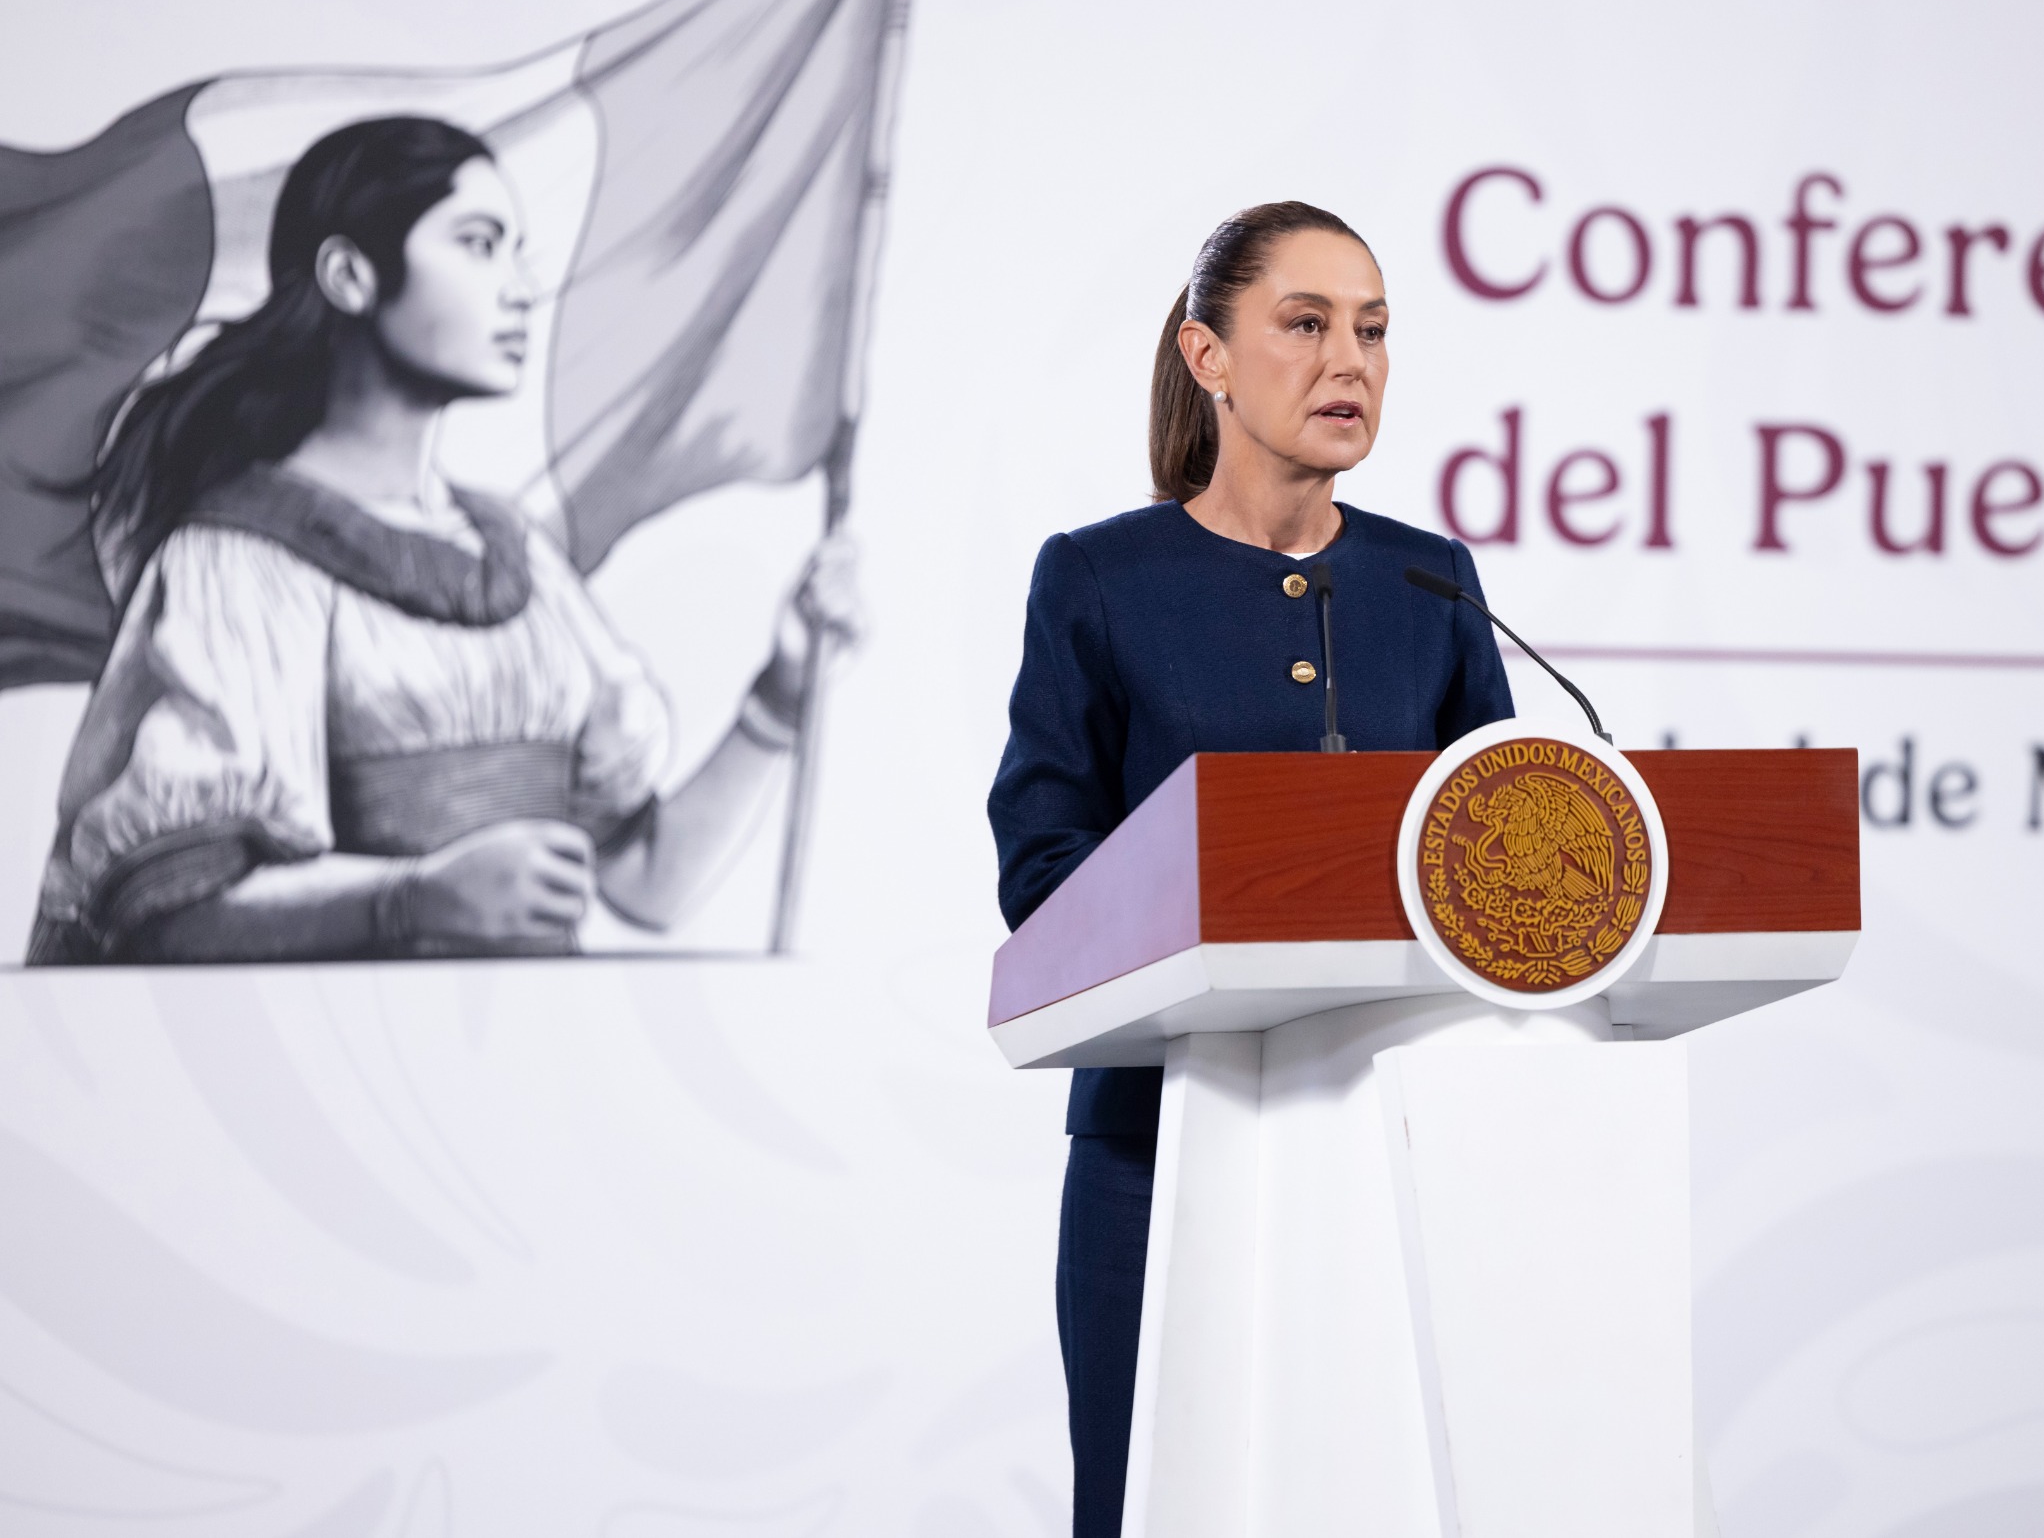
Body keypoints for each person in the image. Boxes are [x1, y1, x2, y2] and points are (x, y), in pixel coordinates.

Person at [987, 202, 1515, 1535]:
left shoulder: (1434, 583)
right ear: (1207, 355)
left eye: (1374, 331)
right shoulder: (1100, 578)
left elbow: (1502, 862)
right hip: (1155, 1145)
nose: (1350, 361)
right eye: (1306, 324)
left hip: (1390, 1145)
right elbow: (1044, 869)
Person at [28, 115, 857, 963]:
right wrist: (412, 896)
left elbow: (649, 883)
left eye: (516, 250)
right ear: (350, 275)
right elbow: (170, 915)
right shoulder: (237, 561)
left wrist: (782, 692)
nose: (520, 288)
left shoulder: (519, 556)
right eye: (479, 244)